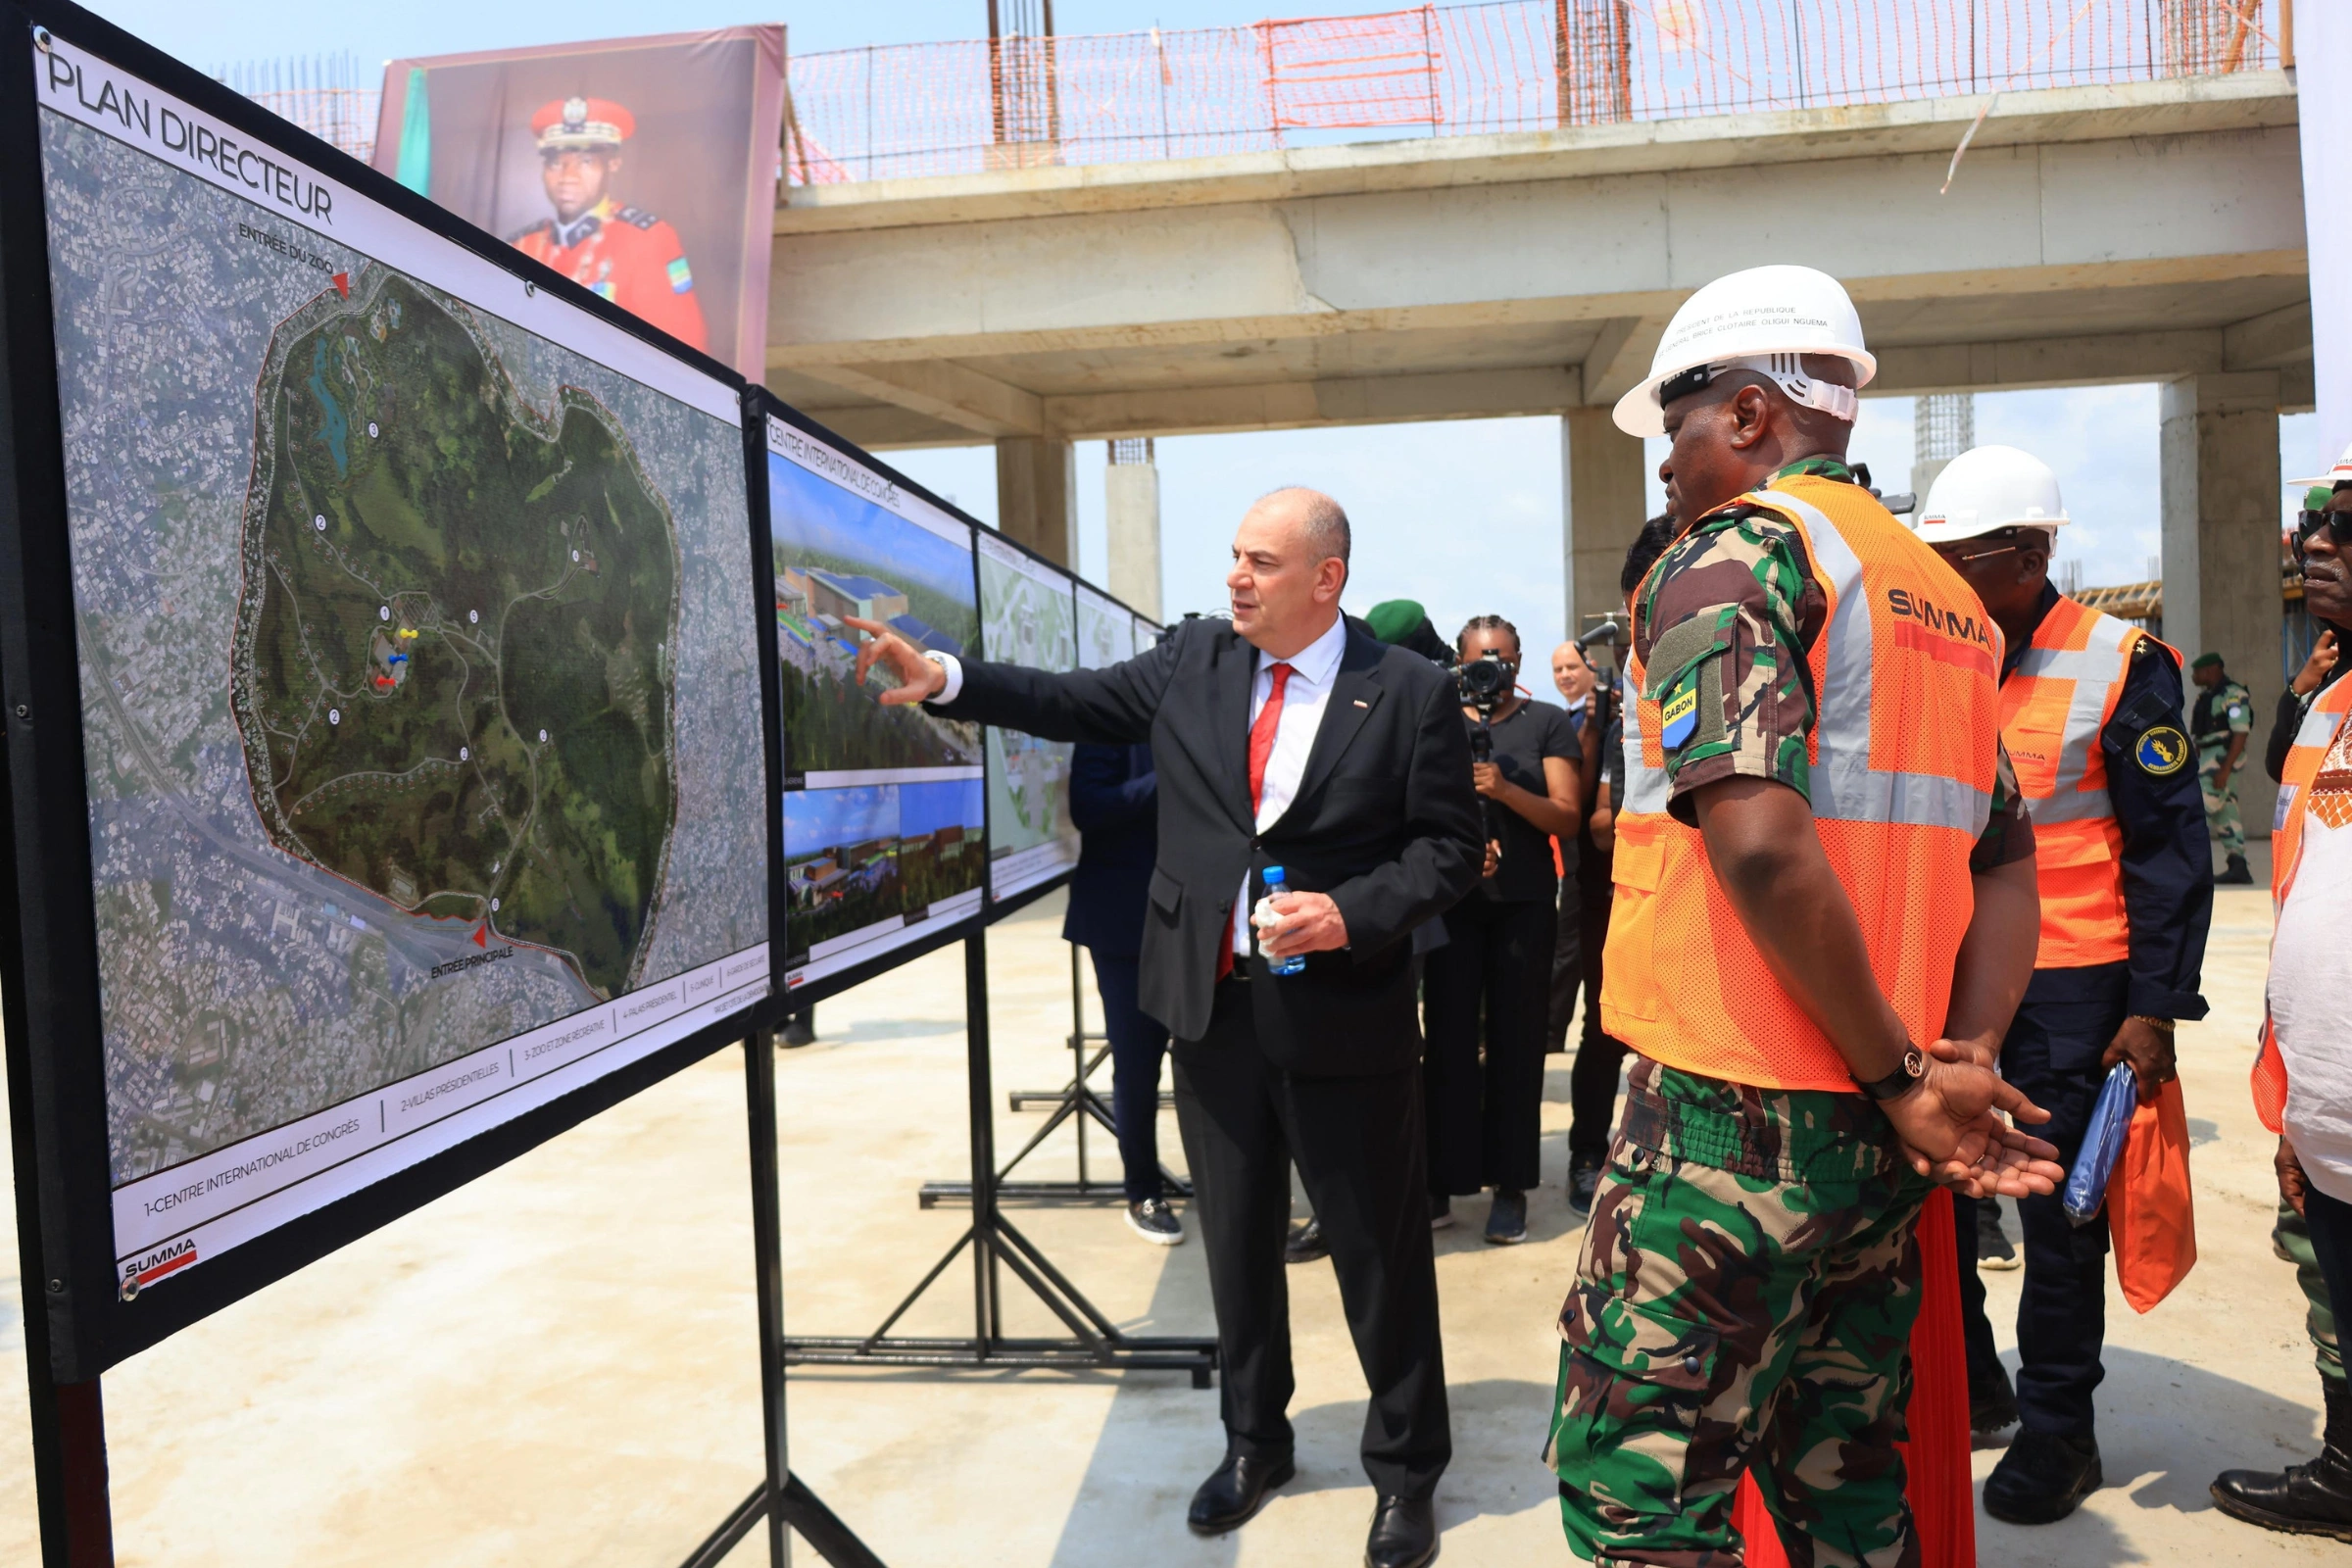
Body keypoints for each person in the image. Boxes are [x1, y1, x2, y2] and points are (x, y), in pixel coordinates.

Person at [846, 488, 1480, 1568]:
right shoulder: (1195, 658)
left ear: (1326, 578)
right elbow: (1070, 699)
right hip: (1213, 1008)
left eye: (1262, 562)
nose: (1236, 577)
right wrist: (946, 677)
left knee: (1376, 1253)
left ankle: (1408, 1471)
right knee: (1233, 1249)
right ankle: (1255, 1445)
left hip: (1344, 1015)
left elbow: (1449, 851)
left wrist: (1349, 913)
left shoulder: (1408, 690)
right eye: (1233, 555)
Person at [1546, 264, 2065, 1567]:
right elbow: (2008, 863)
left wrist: (1908, 1075)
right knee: (1842, 1486)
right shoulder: (1943, 604)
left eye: (1675, 425)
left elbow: (1765, 852)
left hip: (1732, 1116)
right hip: (1880, 1143)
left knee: (1638, 1500)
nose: (1664, 463)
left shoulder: (1733, 556)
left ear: (1751, 416)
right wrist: (1963, 1058)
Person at [1916, 444, 2212, 1521]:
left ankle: (2058, 1431)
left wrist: (2152, 1008)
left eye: (1964, 554)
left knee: (2055, 1225)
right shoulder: (1936, 651)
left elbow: (2169, 850)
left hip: (2074, 990)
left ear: (2033, 553)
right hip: (1942, 983)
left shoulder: (2120, 661)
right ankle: (1977, 1387)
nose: (1943, 571)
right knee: (1933, 1203)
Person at [2212, 444, 2352, 1542]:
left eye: (2347, 524)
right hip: (2323, 1093)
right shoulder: (2330, 701)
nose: (2317, 543)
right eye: (2315, 523)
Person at [1423, 616, 1581, 1244]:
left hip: (1524, 903)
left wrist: (1505, 790)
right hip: (1454, 903)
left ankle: (1511, 1185)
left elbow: (1567, 817)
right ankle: (1444, 1175)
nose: (1491, 666)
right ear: (1459, 663)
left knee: (1517, 1046)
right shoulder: (1436, 718)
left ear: (1519, 661)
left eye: (1503, 656)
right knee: (1449, 1043)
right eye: (1479, 658)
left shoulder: (1544, 722)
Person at [1555, 516, 1679, 1215]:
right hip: (1623, 893)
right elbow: (1599, 813)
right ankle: (1585, 1151)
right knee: (1605, 1031)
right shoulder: (1620, 693)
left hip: (1701, 900)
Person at [1065, 739, 1181, 1245]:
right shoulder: (1110, 715)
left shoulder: (1222, 703)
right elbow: (1088, 807)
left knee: (1215, 1058)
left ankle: (1229, 1179)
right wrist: (1173, 777)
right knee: (1137, 1063)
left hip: (1202, 919)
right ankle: (1143, 1191)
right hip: (1123, 921)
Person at [509, 96, 709, 351]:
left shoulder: (648, 239)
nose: (567, 177)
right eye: (556, 163)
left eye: (586, 162)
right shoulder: (521, 245)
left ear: (612, 164)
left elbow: (683, 349)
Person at [2190, 651, 2256, 884]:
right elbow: (2201, 734)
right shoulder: (2206, 697)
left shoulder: (2233, 694)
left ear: (2211, 670)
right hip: (2208, 756)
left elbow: (2240, 733)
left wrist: (2226, 768)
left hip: (2222, 757)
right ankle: (2238, 867)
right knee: (2225, 812)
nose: (2193, 676)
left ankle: (2188, 866)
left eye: (2196, 672)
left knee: (2197, 810)